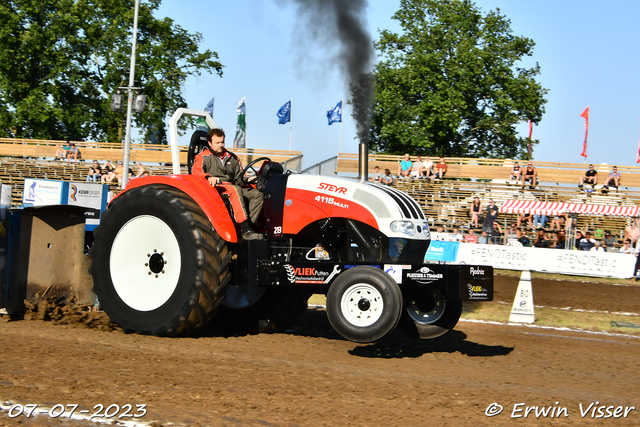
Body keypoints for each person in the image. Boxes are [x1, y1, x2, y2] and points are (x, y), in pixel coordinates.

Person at [192, 128, 263, 240]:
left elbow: (239, 180)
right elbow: (196, 172)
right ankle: (245, 229)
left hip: (232, 186)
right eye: (217, 143)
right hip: (214, 188)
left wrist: (250, 179)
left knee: (257, 193)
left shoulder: (233, 158)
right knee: (235, 190)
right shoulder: (203, 157)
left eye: (222, 142)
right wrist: (209, 177)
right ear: (210, 143)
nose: (220, 145)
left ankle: (247, 226)